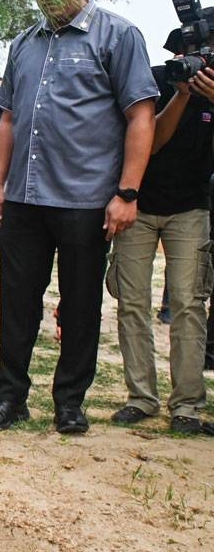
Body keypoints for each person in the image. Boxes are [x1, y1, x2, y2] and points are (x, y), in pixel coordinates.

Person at [0, 0, 158, 434]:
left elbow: (141, 116)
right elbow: (9, 119)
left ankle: (70, 402)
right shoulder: (23, 44)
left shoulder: (118, 35)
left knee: (80, 305)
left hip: (86, 200)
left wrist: (127, 193)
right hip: (25, 199)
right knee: (16, 303)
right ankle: (9, 399)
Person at [108, 25, 214, 435]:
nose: (192, 60)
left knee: (189, 305)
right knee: (131, 302)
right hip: (140, 203)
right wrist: (182, 95)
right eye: (184, 52)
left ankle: (187, 404)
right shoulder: (154, 79)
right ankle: (141, 397)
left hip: (191, 208)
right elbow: (151, 142)